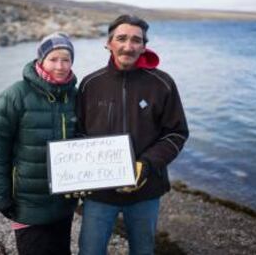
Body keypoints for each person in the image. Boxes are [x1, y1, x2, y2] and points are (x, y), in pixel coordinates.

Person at [76, 15, 189, 255]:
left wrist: (146, 164)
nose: (128, 46)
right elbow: (79, 134)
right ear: (109, 43)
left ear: (144, 46)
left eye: (136, 40)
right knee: (90, 250)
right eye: (122, 38)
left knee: (143, 250)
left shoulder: (162, 83)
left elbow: (177, 133)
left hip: (146, 191)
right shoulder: (90, 84)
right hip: (99, 193)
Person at [0, 32, 78, 255]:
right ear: (41, 60)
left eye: (66, 59)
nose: (60, 66)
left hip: (63, 204)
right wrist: (1, 195)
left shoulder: (75, 96)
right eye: (53, 59)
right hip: (27, 204)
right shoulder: (15, 95)